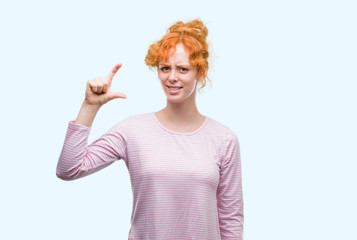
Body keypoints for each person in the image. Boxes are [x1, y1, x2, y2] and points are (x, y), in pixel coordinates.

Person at [56, 19, 244, 240]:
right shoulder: (133, 130)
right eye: (165, 68)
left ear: (200, 72)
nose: (172, 77)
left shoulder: (223, 139)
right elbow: (69, 169)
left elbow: (230, 219)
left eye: (183, 69)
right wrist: (90, 107)